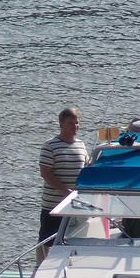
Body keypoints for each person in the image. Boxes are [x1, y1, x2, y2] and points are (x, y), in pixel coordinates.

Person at [37, 107, 88, 260]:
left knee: (71, 240)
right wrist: (64, 190)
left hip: (75, 205)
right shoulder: (50, 146)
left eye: (77, 123)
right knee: (47, 240)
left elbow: (87, 168)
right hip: (53, 204)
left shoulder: (81, 145)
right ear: (61, 124)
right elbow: (45, 172)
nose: (75, 127)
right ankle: (39, 269)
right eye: (70, 123)